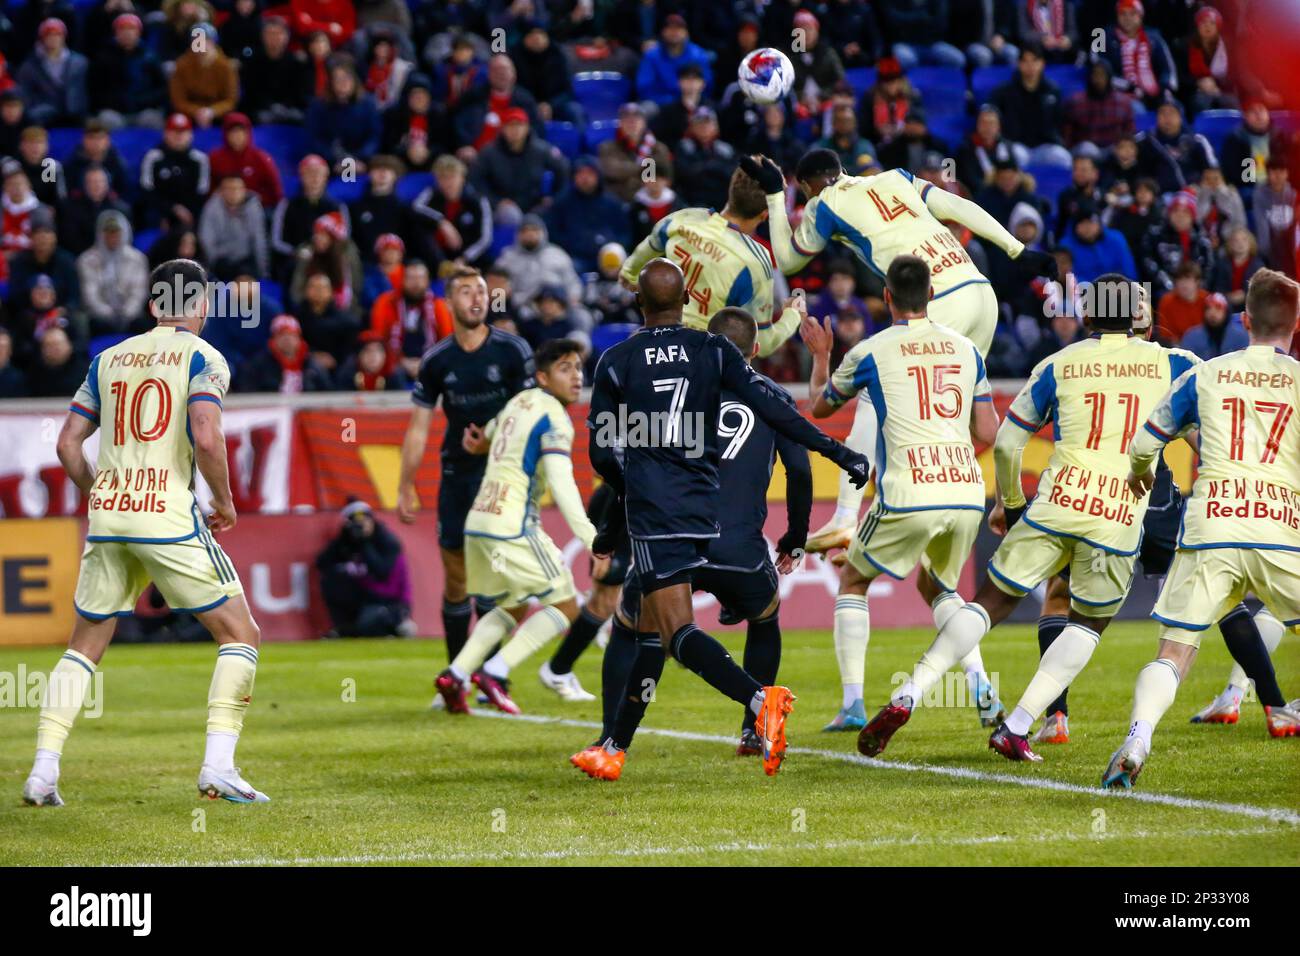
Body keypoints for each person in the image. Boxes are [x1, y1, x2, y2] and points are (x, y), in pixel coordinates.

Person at [858, 274, 1199, 761]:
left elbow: (1006, 442)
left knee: (989, 602)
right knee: (1086, 625)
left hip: (1056, 503)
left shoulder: (1057, 364)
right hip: (1117, 515)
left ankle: (909, 692)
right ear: (1138, 317)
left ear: (1086, 315)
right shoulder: (1175, 364)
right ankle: (1017, 726)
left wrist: (1011, 504)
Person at [577, 259, 870, 780]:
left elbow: (603, 453)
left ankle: (760, 702)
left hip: (657, 513)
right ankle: (614, 748)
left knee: (673, 634)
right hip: (703, 508)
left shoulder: (616, 361)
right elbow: (773, 407)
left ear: (639, 304)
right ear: (686, 299)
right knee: (652, 627)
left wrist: (621, 500)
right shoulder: (710, 350)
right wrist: (839, 452)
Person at [22, 258, 267, 807]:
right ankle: (219, 767)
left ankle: (42, 772)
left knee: (84, 646)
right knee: (240, 634)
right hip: (166, 515)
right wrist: (223, 501)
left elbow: (66, 444)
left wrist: (101, 492)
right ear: (201, 306)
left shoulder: (106, 359)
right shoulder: (204, 357)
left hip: (109, 515)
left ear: (153, 305)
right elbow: (206, 438)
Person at [745, 148, 1057, 553]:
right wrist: (1017, 250)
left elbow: (786, 261)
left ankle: (843, 518)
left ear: (807, 186)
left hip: (938, 299)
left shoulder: (824, 204)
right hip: (980, 294)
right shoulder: (895, 177)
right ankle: (1005, 502)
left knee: (875, 400)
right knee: (967, 410)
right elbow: (958, 205)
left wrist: (774, 195)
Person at [1104, 269, 1300, 787]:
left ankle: (1139, 737)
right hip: (1280, 524)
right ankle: (1280, 707)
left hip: (1211, 522)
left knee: (1174, 649)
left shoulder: (1204, 374)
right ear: (1295, 324)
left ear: (1244, 320)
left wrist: (1140, 475)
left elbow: (1145, 444)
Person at [802, 255, 1002, 734]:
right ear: (931, 296)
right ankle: (979, 682)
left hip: (909, 489)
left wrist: (821, 357)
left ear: (886, 297)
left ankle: (852, 703)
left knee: (852, 580)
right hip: (966, 488)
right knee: (940, 588)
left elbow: (820, 408)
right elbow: (990, 431)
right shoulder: (966, 349)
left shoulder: (871, 351)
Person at [433, 339, 604, 712]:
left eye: (578, 367)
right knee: (567, 607)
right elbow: (563, 485)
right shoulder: (554, 418)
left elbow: (485, 434)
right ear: (542, 377)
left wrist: (479, 447)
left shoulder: (516, 404)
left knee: (511, 607)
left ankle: (455, 674)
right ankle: (494, 671)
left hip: (479, 520)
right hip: (512, 524)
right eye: (564, 368)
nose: (576, 376)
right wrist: (593, 540)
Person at [396, 266, 534, 679]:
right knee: (456, 577)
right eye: (466, 292)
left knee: (494, 575)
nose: (476, 298)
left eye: (481, 291)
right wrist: (405, 486)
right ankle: (458, 673)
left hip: (503, 478)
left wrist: (493, 441)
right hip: (457, 475)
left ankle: (490, 673)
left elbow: (529, 415)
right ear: (449, 302)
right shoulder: (437, 360)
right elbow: (419, 428)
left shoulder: (513, 351)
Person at [620, 166, 802, 359]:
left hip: (654, 348)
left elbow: (631, 269)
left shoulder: (684, 217)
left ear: (731, 192)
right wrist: (793, 315)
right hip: (702, 359)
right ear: (766, 214)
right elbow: (763, 344)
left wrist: (635, 282)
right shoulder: (755, 260)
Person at [315, 500, 414, 638]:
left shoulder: (387, 541)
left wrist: (364, 542)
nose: (362, 525)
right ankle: (344, 627)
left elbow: (382, 573)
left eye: (366, 520)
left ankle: (397, 626)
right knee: (330, 582)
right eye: (356, 523)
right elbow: (321, 563)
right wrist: (344, 538)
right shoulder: (346, 541)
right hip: (364, 599)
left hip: (390, 600)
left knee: (368, 623)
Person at [234, 313, 333, 393]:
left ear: (299, 338)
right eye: (282, 335)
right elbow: (247, 391)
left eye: (292, 335)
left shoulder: (313, 365)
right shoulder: (257, 365)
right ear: (274, 339)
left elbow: (328, 392)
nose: (288, 340)